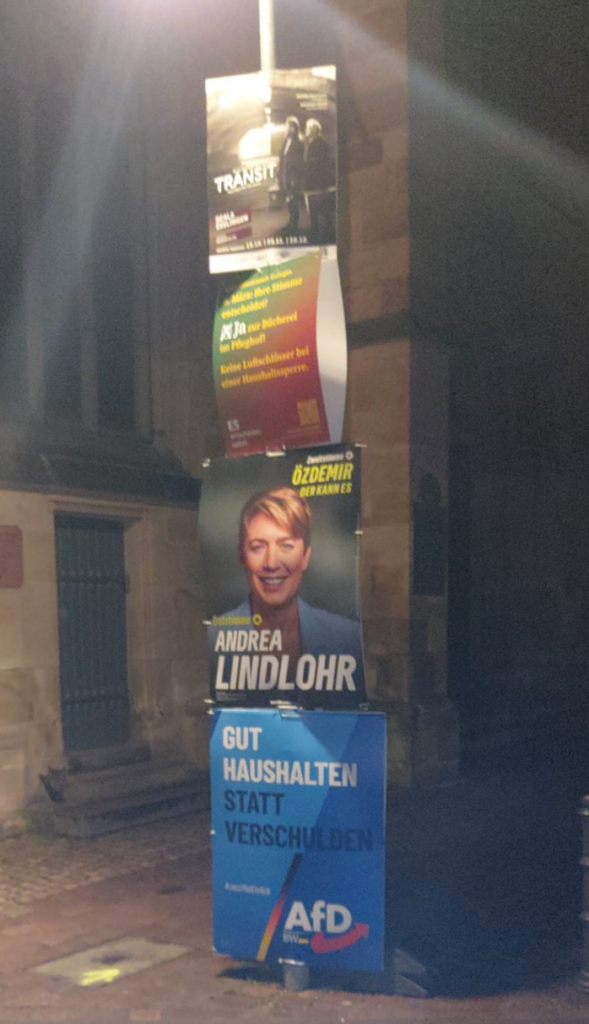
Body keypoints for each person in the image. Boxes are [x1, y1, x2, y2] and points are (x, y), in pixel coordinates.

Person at [210, 487, 365, 703]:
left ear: (305, 556)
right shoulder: (214, 638)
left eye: (286, 545)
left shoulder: (348, 639)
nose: (272, 563)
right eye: (258, 547)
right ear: (242, 557)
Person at [303, 118, 336, 245]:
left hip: (318, 184)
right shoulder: (310, 144)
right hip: (312, 183)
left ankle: (326, 237)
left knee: (323, 212)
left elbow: (321, 165)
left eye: (308, 128)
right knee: (315, 212)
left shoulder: (321, 144)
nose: (306, 130)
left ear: (314, 130)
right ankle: (317, 233)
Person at [278, 116, 305, 234]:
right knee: (289, 198)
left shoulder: (298, 142)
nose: (286, 129)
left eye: (288, 126)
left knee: (293, 199)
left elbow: (299, 162)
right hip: (285, 174)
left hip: (293, 176)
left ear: (294, 128)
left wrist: (295, 178)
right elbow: (283, 157)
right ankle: (291, 221)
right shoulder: (286, 141)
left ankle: (294, 223)